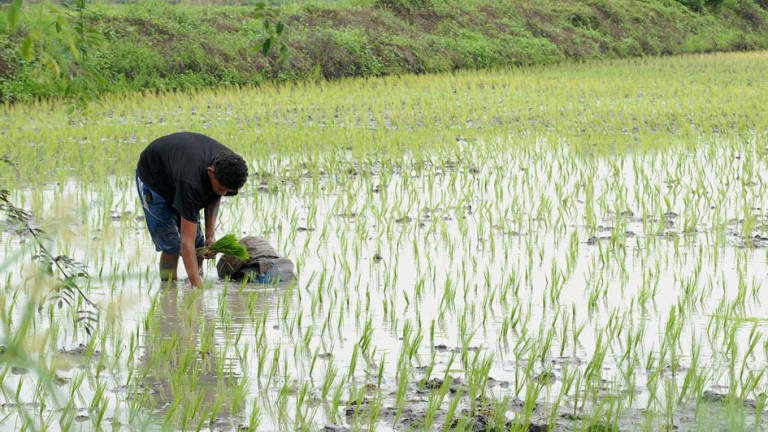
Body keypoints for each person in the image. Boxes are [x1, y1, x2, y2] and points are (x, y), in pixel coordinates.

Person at [135, 132, 248, 287]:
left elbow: (214, 196)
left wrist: (210, 235)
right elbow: (185, 243)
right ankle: (169, 288)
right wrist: (198, 291)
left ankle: (195, 276)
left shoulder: (230, 169)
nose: (223, 193)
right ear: (210, 172)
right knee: (171, 245)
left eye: (227, 191)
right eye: (221, 188)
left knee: (199, 243)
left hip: (179, 170)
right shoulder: (191, 182)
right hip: (154, 179)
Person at [216, 236, 295, 284]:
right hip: (285, 276)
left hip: (256, 277)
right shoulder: (285, 264)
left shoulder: (236, 253)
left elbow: (224, 274)